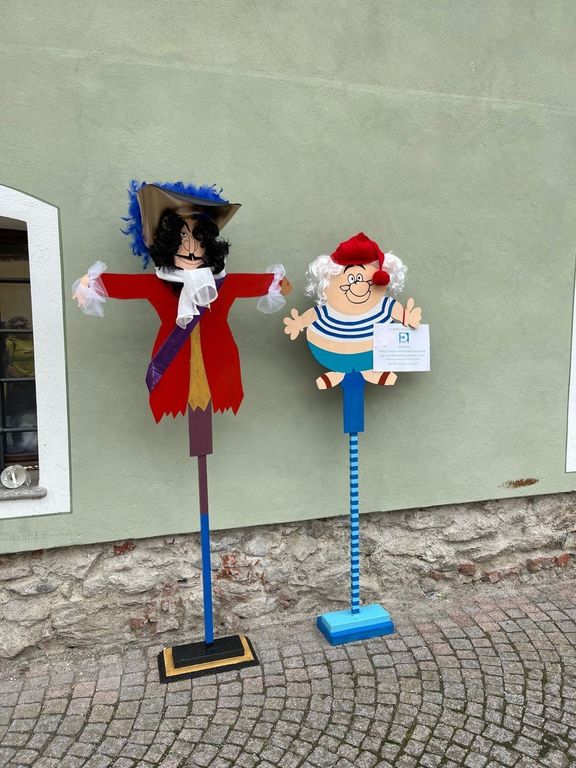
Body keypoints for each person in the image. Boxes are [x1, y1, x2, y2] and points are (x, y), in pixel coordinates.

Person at [283, 232, 421, 389]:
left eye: (362, 278)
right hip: (329, 353)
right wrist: (299, 323)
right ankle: (338, 372)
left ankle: (369, 372)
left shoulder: (382, 306)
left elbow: (393, 309)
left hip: (372, 353)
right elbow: (314, 315)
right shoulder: (328, 310)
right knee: (340, 363)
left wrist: (406, 317)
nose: (357, 285)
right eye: (352, 279)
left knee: (368, 361)